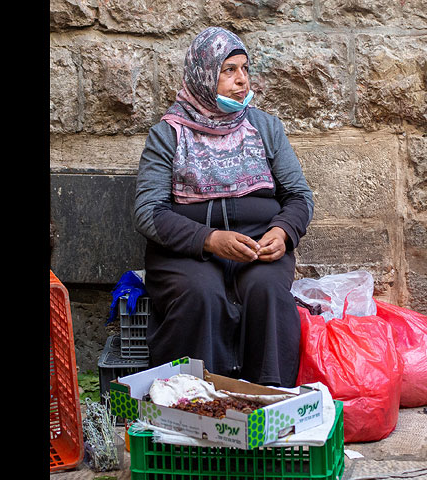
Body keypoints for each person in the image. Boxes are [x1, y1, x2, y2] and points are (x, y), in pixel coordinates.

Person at [133, 27, 314, 387]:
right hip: (186, 254)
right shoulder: (168, 134)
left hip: (257, 249)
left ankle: (267, 400)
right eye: (229, 70)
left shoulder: (264, 127)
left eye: (245, 69)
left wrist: (283, 232)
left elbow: (299, 196)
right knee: (201, 293)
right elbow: (148, 211)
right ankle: (195, 404)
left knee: (266, 291)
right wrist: (209, 239)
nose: (241, 81)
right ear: (203, 75)